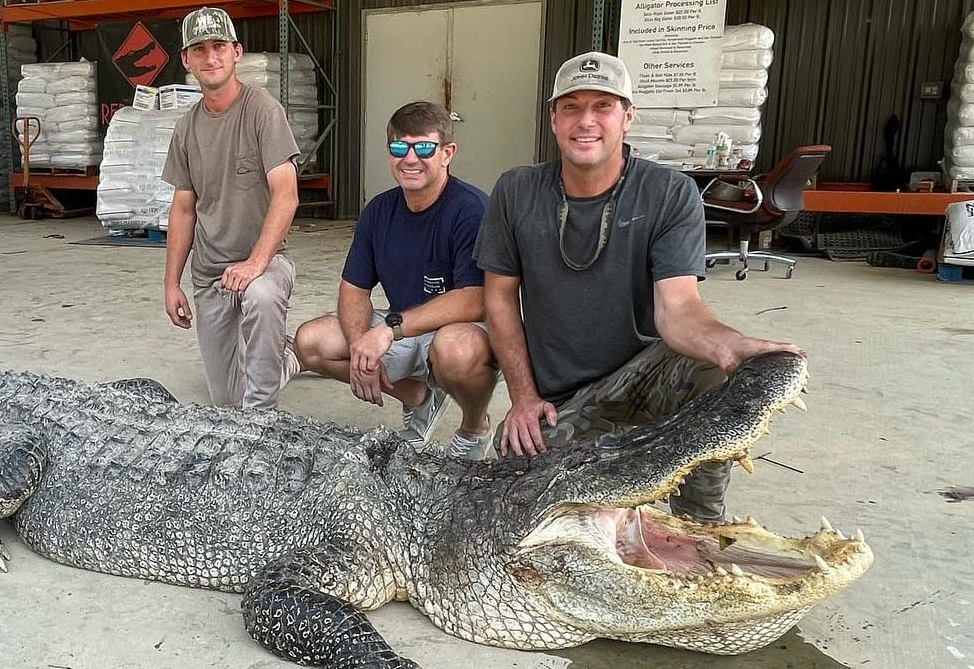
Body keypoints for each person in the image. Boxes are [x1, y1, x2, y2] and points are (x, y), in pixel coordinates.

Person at [473, 51, 803, 520]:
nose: (585, 121)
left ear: (627, 116)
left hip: (646, 377)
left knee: (708, 373)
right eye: (571, 106)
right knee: (513, 487)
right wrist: (523, 397)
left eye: (602, 106)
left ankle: (697, 525)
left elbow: (679, 308)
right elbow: (500, 301)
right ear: (552, 118)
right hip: (566, 397)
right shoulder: (516, 190)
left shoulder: (668, 193)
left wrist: (729, 346)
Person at [291, 101, 499, 460]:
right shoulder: (379, 211)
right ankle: (417, 397)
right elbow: (354, 288)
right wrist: (360, 347)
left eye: (424, 148)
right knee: (311, 342)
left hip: (460, 329)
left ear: (447, 153)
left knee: (455, 351)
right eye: (400, 147)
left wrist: (389, 330)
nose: (411, 158)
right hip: (402, 326)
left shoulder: (472, 209)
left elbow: (475, 299)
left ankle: (474, 426)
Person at [161, 7, 302, 410]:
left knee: (260, 296)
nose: (211, 57)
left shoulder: (263, 112)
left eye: (219, 46)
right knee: (225, 400)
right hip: (211, 275)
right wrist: (172, 284)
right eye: (199, 49)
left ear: (236, 51)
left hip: (265, 263)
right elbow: (184, 209)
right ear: (186, 59)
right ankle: (285, 359)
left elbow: (286, 194)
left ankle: (261, 423)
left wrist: (257, 263)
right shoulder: (187, 128)